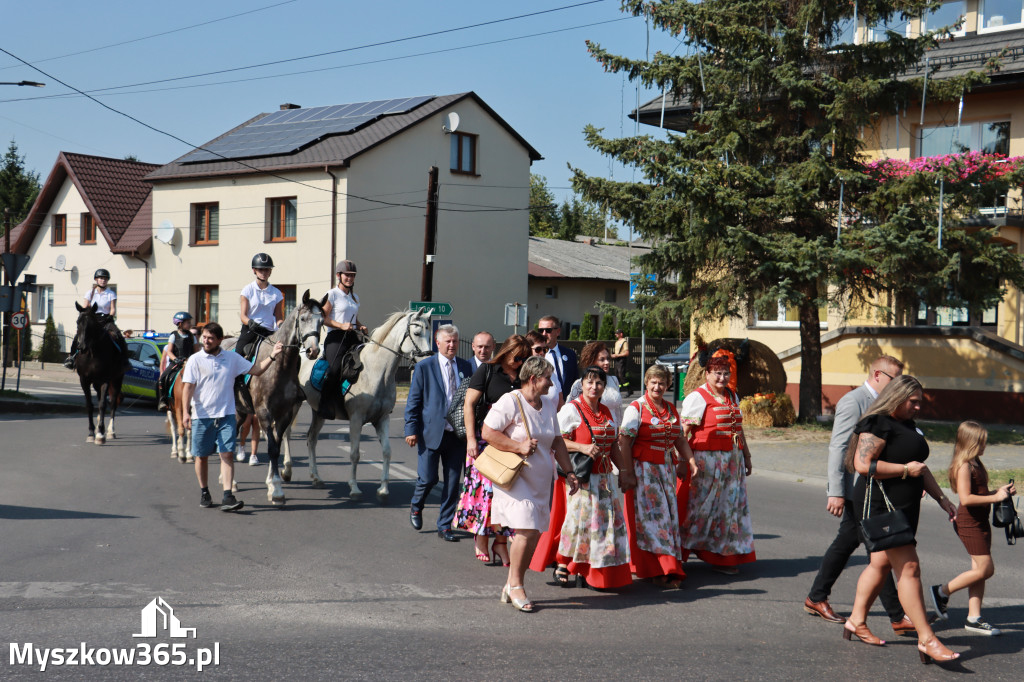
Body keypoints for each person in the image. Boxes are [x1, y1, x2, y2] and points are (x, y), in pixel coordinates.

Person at [843, 375, 960, 663]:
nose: (919, 407)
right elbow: (862, 464)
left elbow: (921, 467)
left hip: (903, 505)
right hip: (881, 504)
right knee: (908, 567)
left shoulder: (908, 426)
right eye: (914, 401)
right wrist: (905, 471)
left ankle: (856, 621)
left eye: (921, 402)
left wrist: (942, 499)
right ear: (897, 397)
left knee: (881, 562)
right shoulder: (878, 422)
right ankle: (927, 639)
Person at [805, 356, 913, 635]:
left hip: (875, 488)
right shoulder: (855, 401)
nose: (898, 385)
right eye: (894, 379)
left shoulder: (888, 404)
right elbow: (838, 448)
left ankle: (817, 596)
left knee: (850, 543)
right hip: (859, 490)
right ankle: (897, 615)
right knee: (880, 550)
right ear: (878, 374)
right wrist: (837, 492)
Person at [483, 356, 580, 612]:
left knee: (533, 535)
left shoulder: (548, 404)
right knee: (525, 530)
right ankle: (516, 586)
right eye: (548, 378)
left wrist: (569, 471)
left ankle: (510, 584)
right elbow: (487, 432)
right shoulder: (510, 401)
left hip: (541, 479)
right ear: (534, 379)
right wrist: (518, 446)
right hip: (516, 478)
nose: (551, 383)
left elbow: (557, 441)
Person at [181, 322, 283, 512]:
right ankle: (205, 491)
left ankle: (228, 495)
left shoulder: (232, 358)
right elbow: (188, 387)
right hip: (202, 416)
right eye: (204, 337)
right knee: (201, 456)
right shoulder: (195, 360)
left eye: (211, 338)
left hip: (226, 415)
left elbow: (257, 369)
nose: (206, 341)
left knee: (227, 454)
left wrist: (272, 355)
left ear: (220, 340)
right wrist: (186, 412)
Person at [929, 421, 1016, 636]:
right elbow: (966, 498)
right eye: (981, 442)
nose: (985, 446)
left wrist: (999, 491)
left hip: (981, 520)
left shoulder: (975, 462)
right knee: (986, 569)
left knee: (979, 572)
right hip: (969, 522)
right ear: (970, 443)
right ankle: (941, 591)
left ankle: (974, 618)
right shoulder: (964, 466)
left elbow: (980, 492)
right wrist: (995, 497)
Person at [555, 365, 636, 589]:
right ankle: (563, 564)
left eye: (599, 383)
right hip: (581, 478)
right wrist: (581, 447)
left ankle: (590, 568)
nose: (594, 386)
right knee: (578, 523)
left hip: (604, 478)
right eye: (590, 382)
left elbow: (613, 447)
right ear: (582, 384)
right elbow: (557, 440)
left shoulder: (607, 412)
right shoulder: (571, 409)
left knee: (603, 526)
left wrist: (624, 472)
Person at [618, 365, 697, 588]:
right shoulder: (636, 408)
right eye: (653, 382)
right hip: (643, 472)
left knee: (666, 518)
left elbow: (680, 439)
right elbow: (624, 441)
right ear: (646, 383)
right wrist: (628, 473)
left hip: (665, 472)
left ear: (668, 385)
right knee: (654, 520)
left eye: (662, 383)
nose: (657, 386)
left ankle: (660, 565)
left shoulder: (671, 409)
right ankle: (664, 567)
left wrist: (688, 461)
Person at [454, 334, 529, 565]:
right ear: (506, 353)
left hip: (511, 443)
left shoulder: (524, 376)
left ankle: (500, 542)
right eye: (517, 357)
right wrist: (470, 440)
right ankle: (481, 537)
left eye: (524, 358)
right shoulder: (487, 371)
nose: (520, 362)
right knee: (485, 493)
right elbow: (469, 404)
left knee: (506, 494)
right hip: (484, 440)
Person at [679, 354, 756, 574]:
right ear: (707, 374)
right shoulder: (698, 398)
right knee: (701, 507)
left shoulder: (732, 395)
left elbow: (738, 429)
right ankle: (684, 548)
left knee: (728, 508)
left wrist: (747, 456)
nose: (722, 378)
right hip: (706, 462)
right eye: (717, 373)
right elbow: (683, 434)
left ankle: (722, 555)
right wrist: (684, 461)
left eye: (726, 373)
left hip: (732, 460)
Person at [405, 324, 473, 541]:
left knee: (453, 483)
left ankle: (445, 526)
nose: (452, 345)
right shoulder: (425, 367)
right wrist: (411, 430)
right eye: (448, 341)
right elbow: (413, 402)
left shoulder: (465, 367)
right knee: (428, 478)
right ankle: (416, 505)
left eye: (455, 341)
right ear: (438, 343)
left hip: (456, 434)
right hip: (431, 433)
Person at [236, 253, 284, 466]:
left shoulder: (276, 293)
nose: (264, 272)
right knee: (238, 355)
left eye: (267, 269)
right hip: (251, 330)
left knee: (285, 358)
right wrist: (250, 323)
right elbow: (243, 315)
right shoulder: (247, 290)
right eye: (261, 269)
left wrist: (281, 326)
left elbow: (279, 316)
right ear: (254, 271)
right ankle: (236, 388)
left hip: (269, 334)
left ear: (270, 271)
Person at [319, 260, 368, 419]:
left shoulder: (355, 297)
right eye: (347, 275)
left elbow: (354, 319)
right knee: (334, 370)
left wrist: (360, 326)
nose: (350, 278)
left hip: (352, 336)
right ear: (339, 276)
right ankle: (325, 404)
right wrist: (340, 326)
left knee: (367, 361)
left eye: (353, 275)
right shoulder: (332, 294)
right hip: (335, 337)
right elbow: (323, 318)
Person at [64, 268, 128, 369]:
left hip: (106, 319)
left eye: (105, 279)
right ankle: (71, 358)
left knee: (118, 335)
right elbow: (85, 308)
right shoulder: (90, 293)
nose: (103, 280)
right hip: (93, 319)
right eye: (101, 278)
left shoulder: (111, 294)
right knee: (78, 336)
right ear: (96, 280)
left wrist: (110, 317)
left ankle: (125, 360)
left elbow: (112, 309)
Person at [567, 341, 624, 425]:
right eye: (602, 359)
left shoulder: (613, 380)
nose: (607, 362)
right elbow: (570, 410)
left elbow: (618, 410)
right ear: (592, 361)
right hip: (592, 430)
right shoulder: (580, 383)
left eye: (608, 358)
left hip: (613, 431)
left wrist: (621, 429)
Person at [156, 311, 196, 412]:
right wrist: (176, 359)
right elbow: (169, 351)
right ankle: (163, 400)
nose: (190, 324)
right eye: (188, 322)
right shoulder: (173, 335)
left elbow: (196, 351)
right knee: (162, 378)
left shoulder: (192, 336)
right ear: (180, 323)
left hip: (189, 363)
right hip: (176, 363)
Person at [537, 315, 578, 402]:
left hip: (567, 406)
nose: (544, 334)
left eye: (548, 330)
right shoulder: (536, 355)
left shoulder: (570, 354)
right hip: (544, 405)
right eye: (540, 330)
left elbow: (575, 383)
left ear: (558, 332)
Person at [611, 329, 630, 395]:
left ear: (621, 334)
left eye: (617, 333)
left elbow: (627, 353)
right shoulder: (617, 342)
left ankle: (629, 390)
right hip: (617, 360)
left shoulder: (624, 342)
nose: (615, 334)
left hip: (622, 360)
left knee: (621, 375)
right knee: (616, 375)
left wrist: (617, 355)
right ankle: (618, 390)